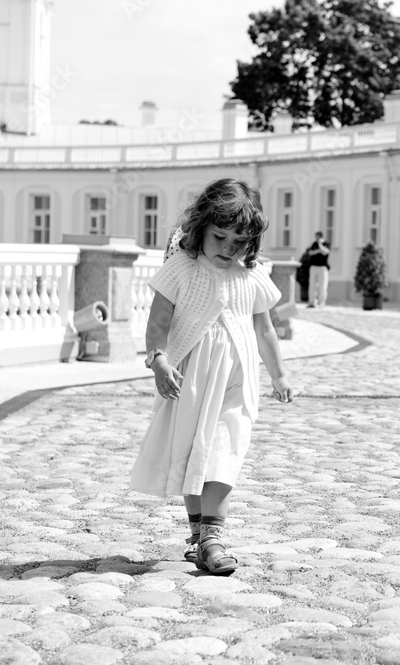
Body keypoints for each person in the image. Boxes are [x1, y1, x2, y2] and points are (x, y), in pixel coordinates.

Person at [130, 178, 293, 575]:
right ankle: (199, 536)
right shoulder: (181, 269)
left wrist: (279, 375)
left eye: (239, 241)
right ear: (200, 226)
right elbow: (158, 323)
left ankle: (213, 537)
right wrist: (159, 361)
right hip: (190, 381)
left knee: (224, 449)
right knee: (192, 453)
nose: (227, 248)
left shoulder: (250, 276)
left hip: (238, 381)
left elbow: (265, 329)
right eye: (220, 236)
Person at [306, 231, 330, 308]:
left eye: (317, 237)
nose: (316, 238)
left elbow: (325, 252)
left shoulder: (326, 243)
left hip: (323, 268)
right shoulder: (314, 244)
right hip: (313, 267)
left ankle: (321, 303)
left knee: (322, 286)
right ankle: (311, 302)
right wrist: (319, 250)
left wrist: (320, 245)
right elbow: (310, 253)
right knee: (312, 286)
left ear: (320, 236)